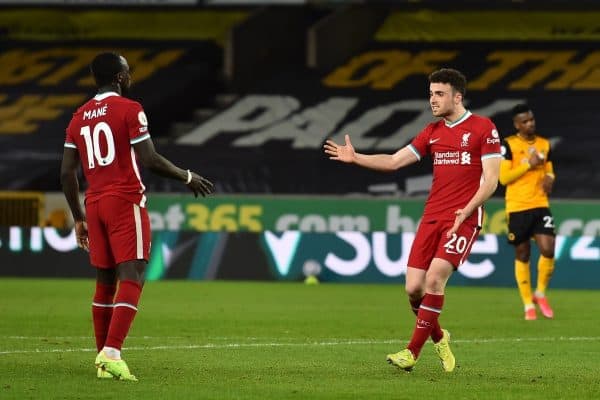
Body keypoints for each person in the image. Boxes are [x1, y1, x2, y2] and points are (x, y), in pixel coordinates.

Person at [323, 68, 502, 372]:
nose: (432, 99)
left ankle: (411, 352)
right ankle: (439, 336)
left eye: (439, 94)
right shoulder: (432, 132)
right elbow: (393, 161)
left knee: (435, 279)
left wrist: (468, 209)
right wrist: (357, 158)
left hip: (464, 218)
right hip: (432, 216)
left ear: (457, 96)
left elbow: (492, 181)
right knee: (413, 289)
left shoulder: (484, 128)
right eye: (431, 93)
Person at [60, 52, 214, 381]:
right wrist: (188, 177)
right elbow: (150, 158)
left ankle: (103, 359)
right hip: (124, 200)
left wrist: (78, 217)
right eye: (127, 72)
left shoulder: (78, 117)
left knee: (105, 280)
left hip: (94, 202)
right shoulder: (130, 109)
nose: (130, 77)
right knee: (133, 272)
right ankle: (113, 352)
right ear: (118, 78)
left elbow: (66, 174)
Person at [499, 104, 556, 321]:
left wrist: (551, 178)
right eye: (525, 121)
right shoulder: (508, 145)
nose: (530, 123)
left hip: (540, 203)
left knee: (548, 249)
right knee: (522, 254)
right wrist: (528, 165)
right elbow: (503, 179)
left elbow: (549, 169)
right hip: (517, 206)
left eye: (531, 119)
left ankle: (540, 293)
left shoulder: (544, 143)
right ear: (517, 124)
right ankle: (527, 305)